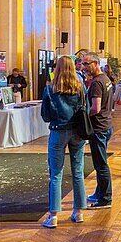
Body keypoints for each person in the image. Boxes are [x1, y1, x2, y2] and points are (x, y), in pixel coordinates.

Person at [40, 55, 87, 229]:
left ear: (57, 69)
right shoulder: (80, 87)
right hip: (77, 132)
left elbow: (45, 116)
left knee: (56, 173)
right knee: (78, 171)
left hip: (58, 131)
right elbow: (86, 109)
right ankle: (78, 212)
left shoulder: (50, 90)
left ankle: (53, 215)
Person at [84, 53, 115, 209]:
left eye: (86, 64)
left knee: (101, 164)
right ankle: (99, 192)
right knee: (99, 162)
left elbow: (95, 108)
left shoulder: (97, 83)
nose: (83, 67)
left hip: (99, 127)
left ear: (95, 63)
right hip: (106, 125)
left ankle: (105, 198)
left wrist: (83, 115)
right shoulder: (105, 79)